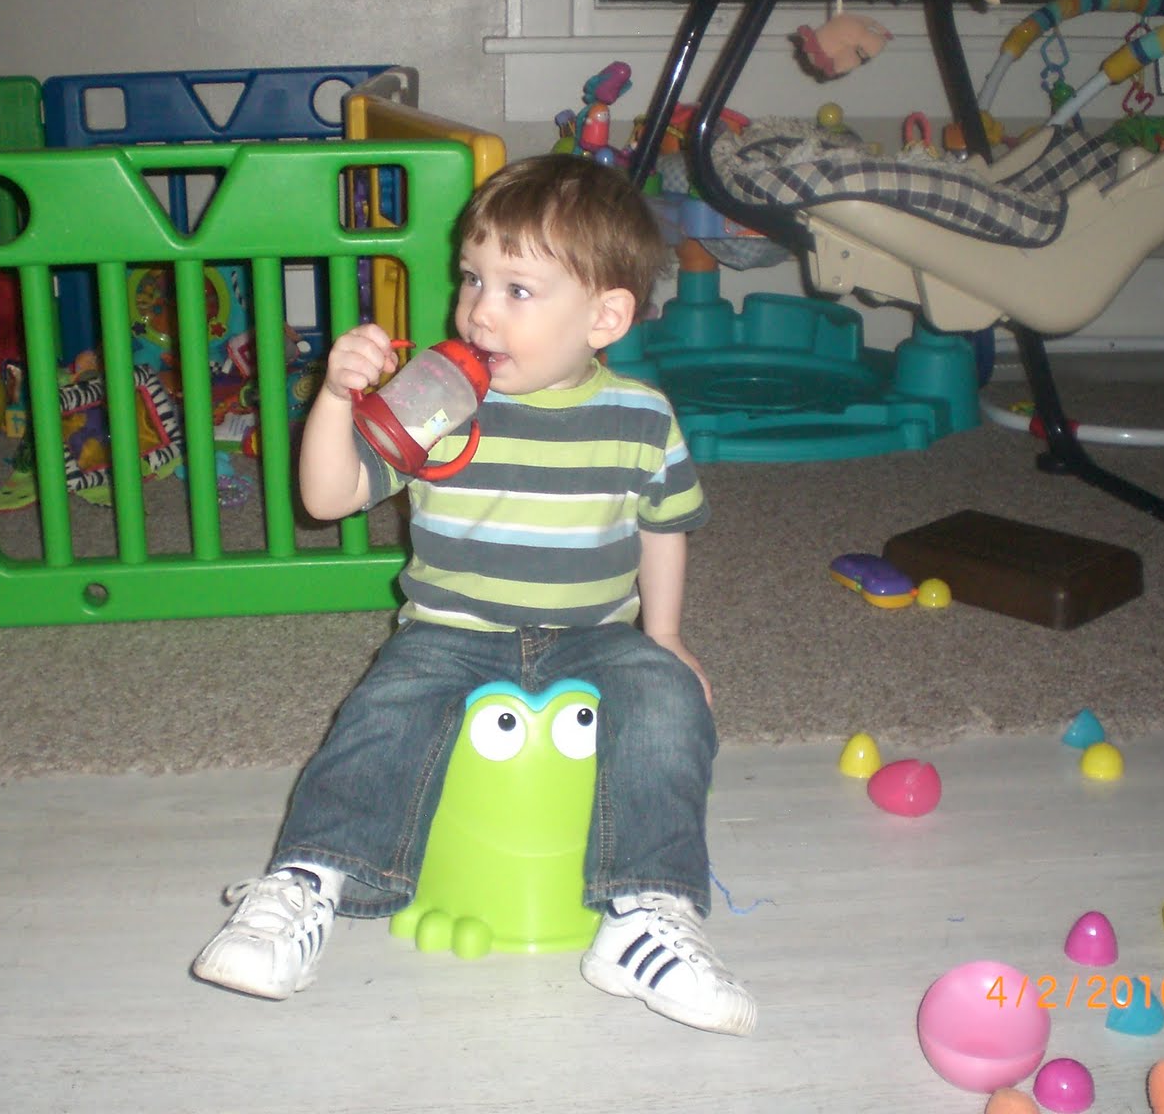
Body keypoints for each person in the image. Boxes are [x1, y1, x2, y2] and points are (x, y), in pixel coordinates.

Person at [191, 153, 755, 1036]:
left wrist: (666, 635)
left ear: (605, 317)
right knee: (383, 712)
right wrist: (337, 399)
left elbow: (662, 527)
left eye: (517, 290)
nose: (479, 311)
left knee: (670, 704)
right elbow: (329, 498)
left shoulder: (643, 416)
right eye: (472, 278)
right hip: (450, 629)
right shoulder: (437, 396)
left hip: (595, 633)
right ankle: (305, 884)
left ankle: (647, 911)